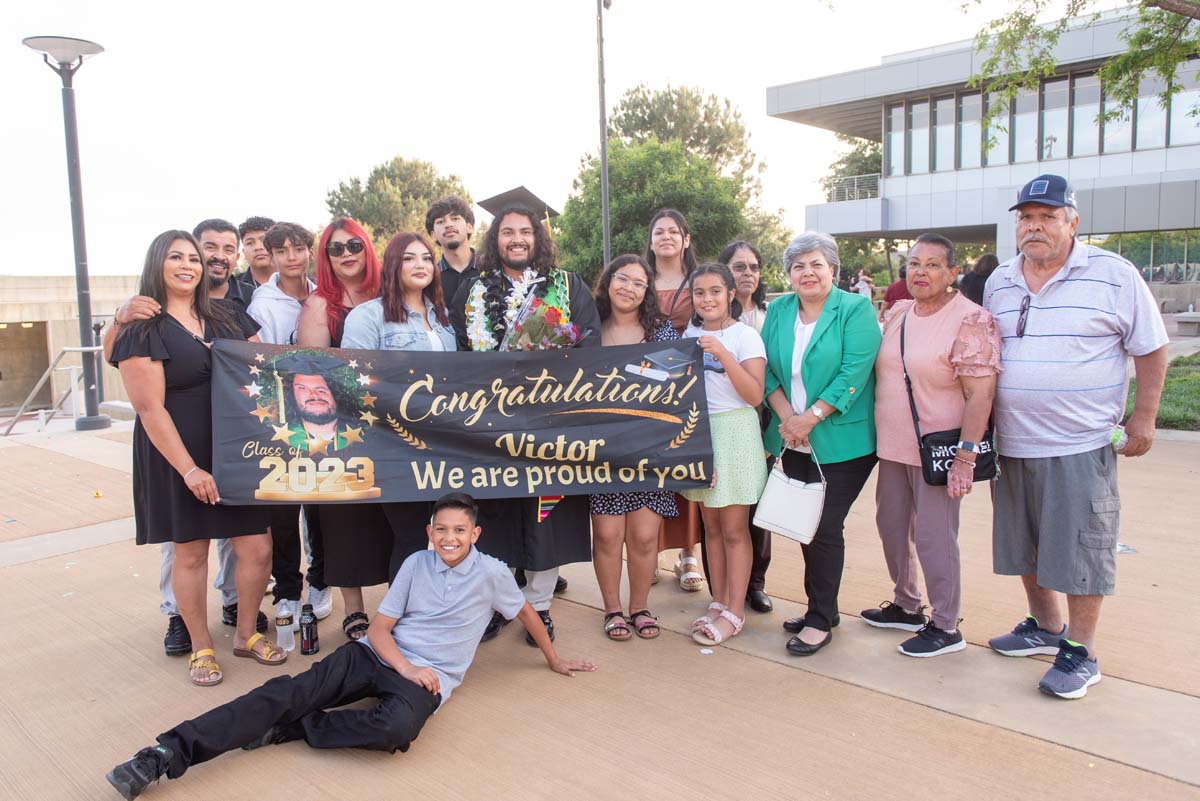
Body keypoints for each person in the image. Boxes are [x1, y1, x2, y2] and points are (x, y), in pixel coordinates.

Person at [104, 492, 597, 801]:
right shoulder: (415, 565)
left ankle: (293, 731)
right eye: (441, 530)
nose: (449, 538)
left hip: (431, 678)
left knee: (397, 730)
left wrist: (554, 659)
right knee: (285, 692)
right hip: (381, 655)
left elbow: (527, 611)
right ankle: (164, 754)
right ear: (430, 532)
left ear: (475, 534)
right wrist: (403, 667)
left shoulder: (490, 572)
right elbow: (380, 630)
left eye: (459, 530)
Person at [983, 175, 1168, 699]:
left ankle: (1081, 651)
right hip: (1013, 441)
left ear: (1073, 222)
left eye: (1047, 216)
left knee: (1083, 549)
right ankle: (1045, 626)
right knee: (1026, 543)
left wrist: (1144, 417)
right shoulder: (1001, 279)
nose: (1034, 226)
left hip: (1080, 441)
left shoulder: (1113, 275)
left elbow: (1151, 348)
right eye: (1026, 217)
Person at [108, 231, 282, 687]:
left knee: (257, 547)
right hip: (177, 452)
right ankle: (201, 646)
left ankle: (246, 633)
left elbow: (268, 366)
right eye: (175, 257)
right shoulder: (142, 326)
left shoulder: (225, 315)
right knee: (190, 555)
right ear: (156, 265)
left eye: (192, 258)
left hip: (236, 450)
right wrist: (189, 469)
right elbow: (149, 408)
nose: (187, 265)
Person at [450, 204, 601, 645]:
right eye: (507, 232)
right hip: (490, 421)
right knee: (494, 512)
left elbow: (589, 341)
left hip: (551, 420)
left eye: (525, 231)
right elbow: (459, 353)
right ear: (495, 239)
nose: (517, 239)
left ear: (538, 238)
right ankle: (496, 605)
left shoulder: (566, 285)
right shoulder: (473, 291)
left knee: (544, 512)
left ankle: (538, 606)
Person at [865, 233, 1001, 657]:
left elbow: (981, 395)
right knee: (890, 526)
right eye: (914, 263)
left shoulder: (971, 319)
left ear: (953, 272)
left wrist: (966, 457)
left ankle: (945, 625)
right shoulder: (901, 312)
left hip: (939, 452)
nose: (920, 272)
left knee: (934, 536)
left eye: (933, 265)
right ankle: (907, 604)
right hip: (892, 446)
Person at [762, 232, 881, 656]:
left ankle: (819, 619)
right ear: (789, 274)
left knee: (824, 525)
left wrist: (809, 418)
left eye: (816, 264)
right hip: (790, 435)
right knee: (805, 525)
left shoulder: (855, 309)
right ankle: (822, 608)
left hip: (842, 440)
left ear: (833, 268)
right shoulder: (777, 310)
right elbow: (767, 373)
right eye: (798, 266)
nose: (807, 273)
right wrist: (788, 421)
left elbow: (854, 372)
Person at [341, 230, 457, 618]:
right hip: (393, 448)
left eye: (426, 257)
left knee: (441, 534)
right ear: (393, 264)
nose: (420, 265)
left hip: (443, 445)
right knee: (409, 538)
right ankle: (401, 623)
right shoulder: (368, 316)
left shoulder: (443, 319)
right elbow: (353, 383)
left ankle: (435, 614)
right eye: (409, 258)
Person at [588, 255, 679, 641]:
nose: (628, 287)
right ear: (608, 282)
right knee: (608, 536)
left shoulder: (662, 334)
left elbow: (678, 386)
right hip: (600, 450)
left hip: (650, 448)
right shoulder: (588, 330)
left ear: (647, 292)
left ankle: (640, 606)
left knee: (643, 537)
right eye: (622, 279)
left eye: (638, 283)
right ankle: (612, 609)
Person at [682, 263, 767, 646]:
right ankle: (718, 601)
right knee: (710, 527)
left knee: (734, 530)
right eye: (700, 292)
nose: (707, 299)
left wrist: (722, 353)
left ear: (730, 294)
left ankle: (735, 609)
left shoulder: (745, 337)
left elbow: (754, 395)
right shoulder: (690, 332)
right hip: (701, 432)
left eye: (715, 291)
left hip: (734, 430)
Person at [645, 209, 706, 592]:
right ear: (650, 241)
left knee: (685, 471)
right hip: (644, 386)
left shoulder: (700, 280)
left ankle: (688, 554)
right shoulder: (640, 277)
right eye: (658, 232)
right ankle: (646, 552)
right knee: (650, 471)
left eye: (673, 231)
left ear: (686, 238)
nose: (665, 237)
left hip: (688, 383)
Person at [718, 240, 773, 613]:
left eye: (754, 266)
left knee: (757, 513)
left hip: (764, 420)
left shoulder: (773, 316)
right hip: (724, 424)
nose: (748, 273)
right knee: (723, 515)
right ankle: (722, 593)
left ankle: (755, 584)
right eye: (740, 267)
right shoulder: (710, 321)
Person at [246, 222, 316, 346]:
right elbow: (262, 359)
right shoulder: (261, 307)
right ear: (271, 257)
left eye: (299, 249)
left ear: (311, 253)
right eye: (281, 251)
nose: (291, 257)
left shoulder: (323, 298)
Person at [426, 196, 478, 306]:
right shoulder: (430, 278)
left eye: (455, 218)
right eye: (440, 222)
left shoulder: (492, 268)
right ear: (433, 235)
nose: (448, 225)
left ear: (470, 227)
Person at [193, 219, 254, 308]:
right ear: (193, 250)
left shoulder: (254, 299)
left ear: (237, 258)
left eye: (228, 250)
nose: (220, 256)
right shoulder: (175, 297)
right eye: (210, 247)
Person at [234, 216, 277, 290]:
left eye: (264, 240)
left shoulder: (298, 283)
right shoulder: (232, 287)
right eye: (250, 243)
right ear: (243, 252)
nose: (258, 247)